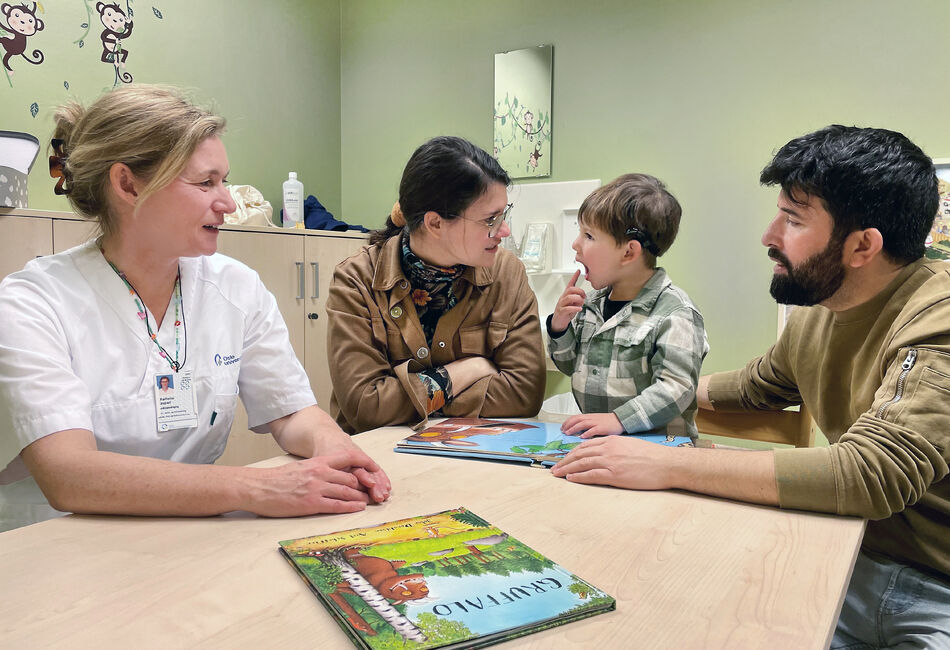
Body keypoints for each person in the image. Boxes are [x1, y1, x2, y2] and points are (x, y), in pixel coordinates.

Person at [552, 125, 950, 646]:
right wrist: (656, 390)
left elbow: (869, 474)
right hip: (842, 553)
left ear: (861, 246)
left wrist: (669, 462)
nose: (768, 236)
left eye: (792, 219)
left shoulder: (935, 321)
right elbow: (756, 385)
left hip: (934, 588)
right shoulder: (820, 312)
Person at [0, 85, 390, 533]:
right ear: (127, 184)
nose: (228, 202)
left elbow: (291, 411)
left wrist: (336, 450)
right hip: (58, 545)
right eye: (206, 183)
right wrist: (258, 488)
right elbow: (68, 474)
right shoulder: (34, 301)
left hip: (194, 534)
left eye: (223, 180)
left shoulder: (235, 286)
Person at [326, 136, 546, 434]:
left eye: (504, 215)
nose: (504, 230)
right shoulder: (357, 279)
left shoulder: (507, 273)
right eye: (491, 219)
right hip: (373, 459)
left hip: (470, 453)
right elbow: (366, 408)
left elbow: (523, 395)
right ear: (435, 224)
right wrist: (466, 371)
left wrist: (413, 397)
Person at [547, 174, 708, 439]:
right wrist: (559, 327)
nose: (575, 244)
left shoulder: (676, 313)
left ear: (629, 252)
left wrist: (618, 420)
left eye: (588, 235)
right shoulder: (591, 305)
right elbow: (568, 366)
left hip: (660, 454)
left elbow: (676, 387)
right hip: (600, 447)